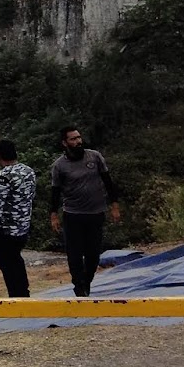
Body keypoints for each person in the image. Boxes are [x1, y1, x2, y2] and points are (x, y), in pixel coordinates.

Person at [49, 126, 120, 297]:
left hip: (96, 213)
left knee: (93, 254)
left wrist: (115, 206)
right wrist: (53, 215)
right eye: (73, 139)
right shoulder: (59, 166)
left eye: (79, 137)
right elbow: (55, 192)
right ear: (65, 143)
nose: (78, 141)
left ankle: (87, 280)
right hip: (73, 215)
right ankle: (79, 286)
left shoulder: (94, 157)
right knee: (74, 254)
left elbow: (108, 182)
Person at [0, 139, 36, 297]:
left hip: (6, 229)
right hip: (23, 226)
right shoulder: (28, 171)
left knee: (6, 263)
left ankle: (16, 296)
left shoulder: (3, 176)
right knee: (16, 259)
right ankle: (23, 292)